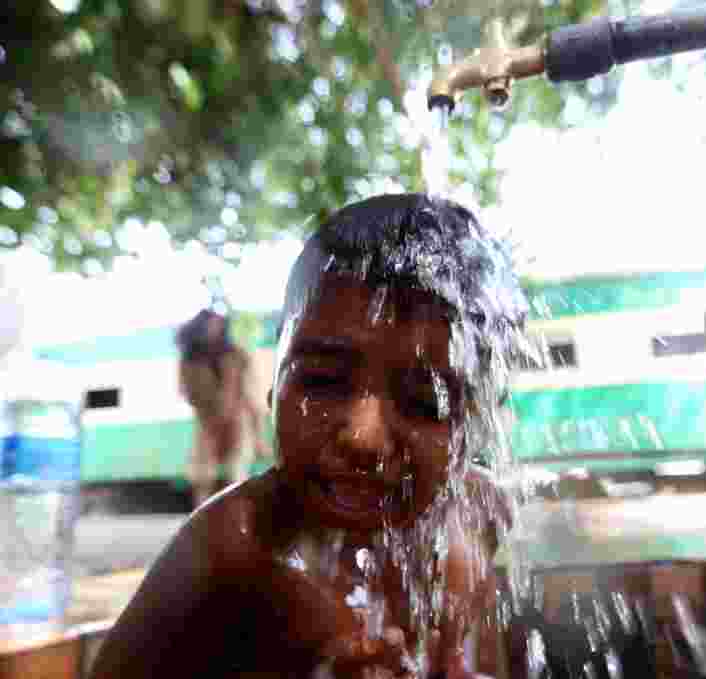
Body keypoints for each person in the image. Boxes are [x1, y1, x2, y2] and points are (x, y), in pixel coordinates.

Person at [90, 194, 527, 679]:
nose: (362, 437)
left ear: (475, 425)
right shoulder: (232, 549)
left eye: (426, 403)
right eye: (321, 382)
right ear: (276, 386)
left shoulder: (478, 511)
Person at [176, 308, 271, 508]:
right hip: (207, 420)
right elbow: (185, 392)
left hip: (236, 418)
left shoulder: (237, 356)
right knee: (204, 474)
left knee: (235, 472)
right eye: (211, 324)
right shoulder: (189, 360)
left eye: (218, 324)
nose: (215, 328)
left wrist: (258, 435)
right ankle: (201, 515)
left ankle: (233, 513)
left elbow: (251, 395)